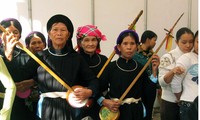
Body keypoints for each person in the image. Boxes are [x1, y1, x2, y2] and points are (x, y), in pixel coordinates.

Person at [2, 14, 99, 120]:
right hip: (45, 110)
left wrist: (89, 91)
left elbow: (93, 81)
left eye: (63, 30)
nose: (59, 33)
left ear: (68, 35)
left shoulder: (76, 58)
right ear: (49, 33)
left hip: (70, 109)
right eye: (55, 30)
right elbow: (19, 76)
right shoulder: (40, 56)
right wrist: (9, 56)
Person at [98, 30, 149, 120]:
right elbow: (99, 89)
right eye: (125, 43)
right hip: (116, 111)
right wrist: (105, 101)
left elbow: (147, 92)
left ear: (137, 46)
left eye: (132, 44)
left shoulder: (140, 68)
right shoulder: (111, 67)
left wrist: (155, 74)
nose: (129, 47)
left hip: (136, 111)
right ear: (119, 47)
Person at [0, 18, 35, 120]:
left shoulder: (27, 55)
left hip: (21, 103)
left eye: (15, 32)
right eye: (7, 32)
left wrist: (32, 82)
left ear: (20, 35)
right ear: (1, 35)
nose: (12, 35)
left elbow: (21, 77)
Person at [158, 27, 194, 120]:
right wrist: (172, 71)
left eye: (191, 42)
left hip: (189, 102)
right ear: (176, 42)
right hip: (170, 103)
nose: (188, 45)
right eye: (184, 42)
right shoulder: (168, 57)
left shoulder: (194, 57)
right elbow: (162, 82)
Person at [76, 25, 107, 119]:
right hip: (79, 103)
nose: (91, 43)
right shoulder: (74, 59)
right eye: (86, 40)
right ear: (80, 43)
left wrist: (99, 99)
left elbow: (105, 83)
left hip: (101, 103)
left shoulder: (104, 60)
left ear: (98, 42)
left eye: (94, 40)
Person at [132, 30, 160, 120]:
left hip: (151, 89)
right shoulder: (134, 54)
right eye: (154, 40)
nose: (155, 43)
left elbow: (156, 72)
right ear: (147, 39)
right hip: (138, 89)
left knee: (149, 111)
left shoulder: (153, 55)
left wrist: (158, 86)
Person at [171, 30, 198, 120]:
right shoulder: (187, 58)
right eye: (198, 42)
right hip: (190, 104)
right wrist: (180, 98)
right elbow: (175, 82)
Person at [24, 31, 47, 119]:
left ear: (44, 44)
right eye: (33, 43)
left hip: (45, 102)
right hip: (28, 102)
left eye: (39, 42)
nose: (37, 46)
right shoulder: (24, 60)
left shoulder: (50, 59)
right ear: (27, 46)